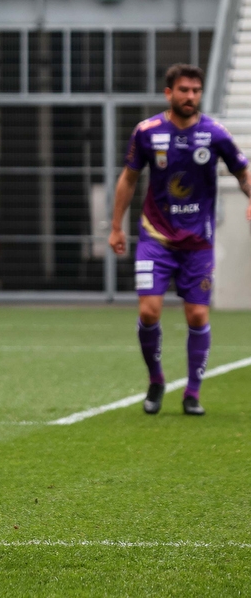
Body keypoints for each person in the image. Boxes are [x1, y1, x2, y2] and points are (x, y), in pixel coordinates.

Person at [110, 63, 251, 417]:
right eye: (184, 90)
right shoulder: (147, 132)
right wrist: (115, 226)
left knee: (198, 315)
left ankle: (192, 392)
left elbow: (243, 172)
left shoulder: (215, 133)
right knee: (148, 310)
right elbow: (128, 179)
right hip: (155, 238)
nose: (190, 96)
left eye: (196, 90)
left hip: (197, 242)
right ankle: (156, 380)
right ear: (168, 93)